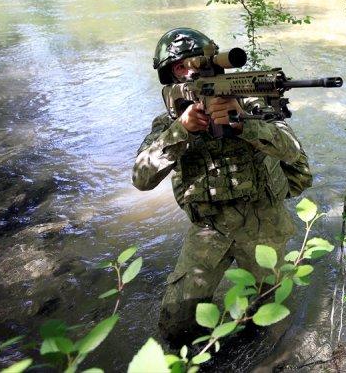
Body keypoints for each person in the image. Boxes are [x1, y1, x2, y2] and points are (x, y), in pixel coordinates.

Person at [132, 28, 310, 345]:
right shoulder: (167, 123)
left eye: (197, 63)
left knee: (262, 314)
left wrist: (245, 123)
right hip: (209, 226)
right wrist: (181, 130)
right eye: (179, 67)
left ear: (214, 65)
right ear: (168, 74)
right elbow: (142, 179)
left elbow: (292, 150)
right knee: (177, 322)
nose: (190, 72)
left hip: (262, 220)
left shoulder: (252, 102)